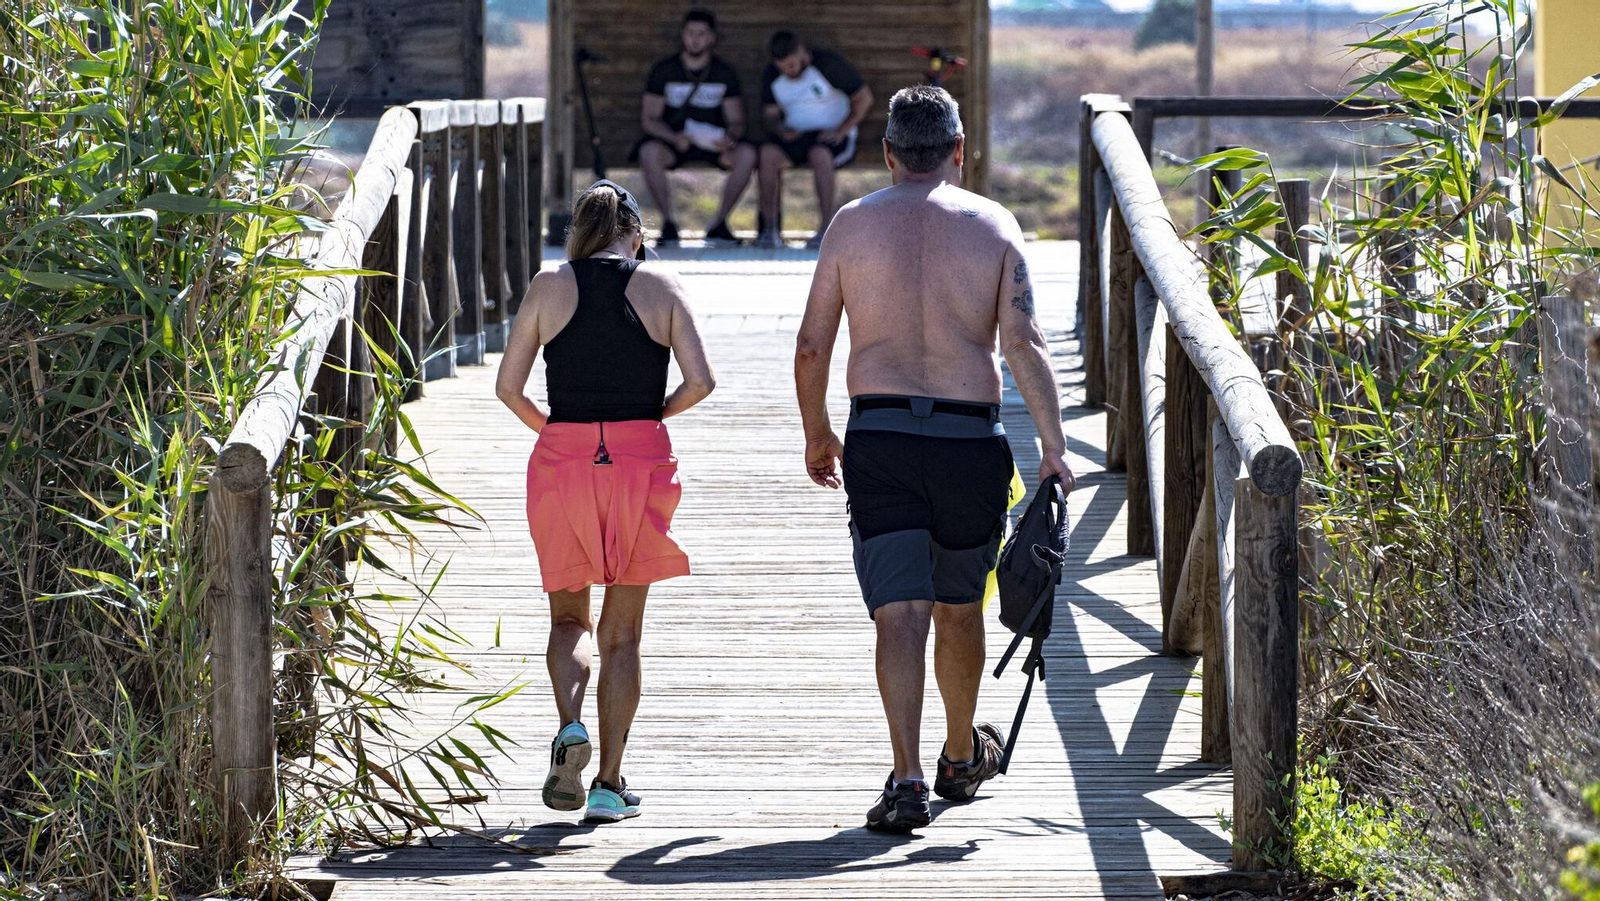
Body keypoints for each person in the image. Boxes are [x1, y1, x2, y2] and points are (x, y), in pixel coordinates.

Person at [793, 85, 1074, 833]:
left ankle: (909, 778)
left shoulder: (851, 226)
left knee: (899, 616)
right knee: (958, 607)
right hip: (967, 442)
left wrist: (818, 433)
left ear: (888, 154)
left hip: (880, 440)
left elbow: (813, 344)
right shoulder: (994, 224)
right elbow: (1023, 343)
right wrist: (1053, 446)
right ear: (958, 151)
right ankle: (959, 754)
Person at [495, 179, 716, 823]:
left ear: (579, 234)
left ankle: (570, 728)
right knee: (624, 634)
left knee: (570, 623)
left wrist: (559, 431)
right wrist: (651, 415)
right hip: (640, 457)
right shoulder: (661, 286)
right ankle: (609, 785)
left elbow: (510, 388)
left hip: (562, 460)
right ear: (635, 233)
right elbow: (701, 380)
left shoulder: (548, 285)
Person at [632, 9, 757, 246]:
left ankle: (719, 224)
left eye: (701, 34)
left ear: (711, 38)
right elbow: (649, 119)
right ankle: (668, 223)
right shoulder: (665, 71)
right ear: (682, 36)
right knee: (648, 152)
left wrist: (730, 138)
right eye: (690, 33)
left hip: (715, 145)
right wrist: (673, 136)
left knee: (748, 154)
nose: (695, 39)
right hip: (675, 144)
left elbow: (737, 121)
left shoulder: (724, 73)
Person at [756, 31, 873, 250]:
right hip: (796, 135)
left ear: (802, 52)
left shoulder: (828, 65)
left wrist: (841, 130)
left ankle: (826, 228)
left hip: (832, 134)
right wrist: (780, 130)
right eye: (783, 67)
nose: (789, 71)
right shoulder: (772, 75)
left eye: (792, 64)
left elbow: (864, 99)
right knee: (767, 154)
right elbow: (770, 115)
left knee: (819, 155)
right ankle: (769, 231)